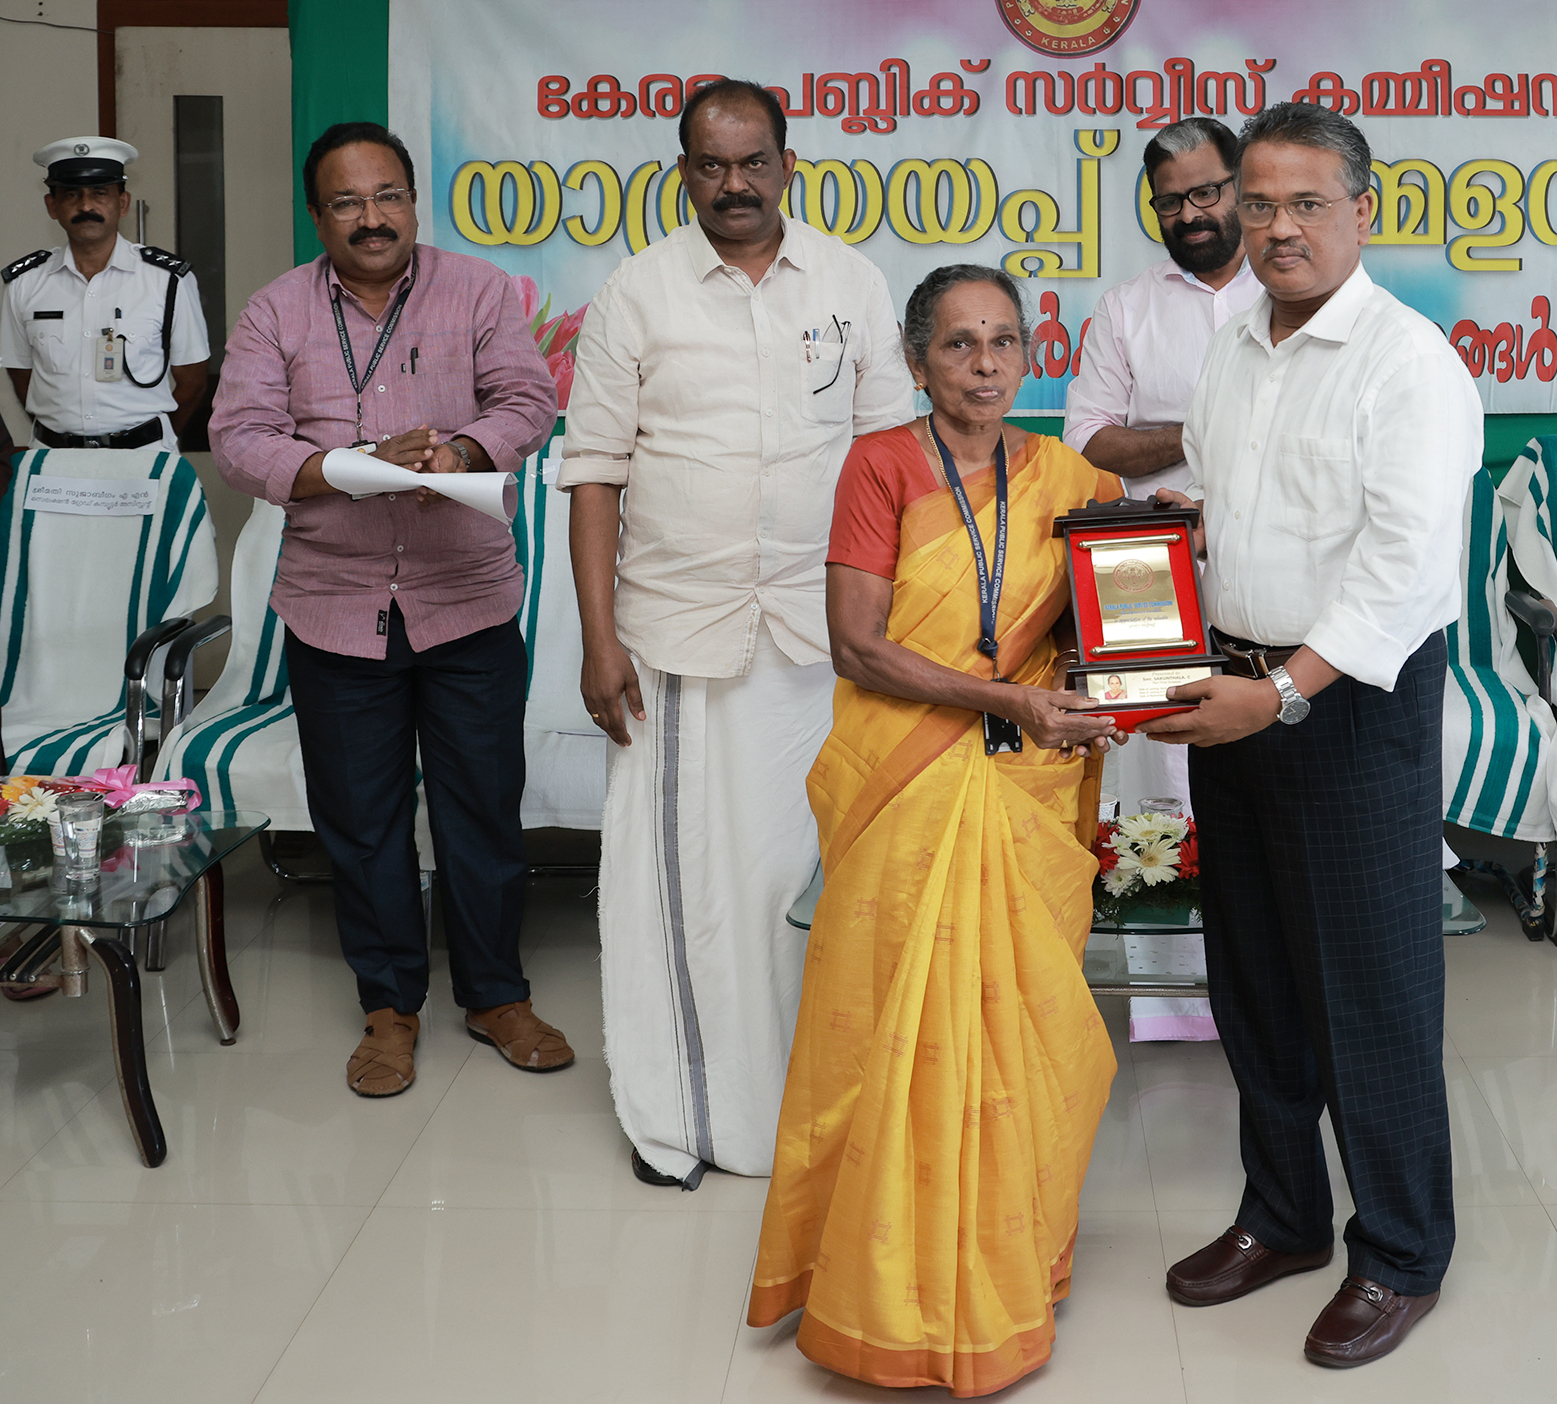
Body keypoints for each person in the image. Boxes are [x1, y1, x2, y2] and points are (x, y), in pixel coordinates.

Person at [1141, 102, 1480, 1369]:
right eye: (1259, 203)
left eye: (1306, 205)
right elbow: (1235, 503)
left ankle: (1399, 1252)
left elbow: (1404, 568)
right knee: (1257, 980)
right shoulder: (1235, 347)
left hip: (1342, 704)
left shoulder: (1407, 363)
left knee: (1370, 991)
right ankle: (1283, 1218)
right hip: (1229, 689)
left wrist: (1282, 692)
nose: (1277, 228)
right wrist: (1161, 551)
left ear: (1361, 212)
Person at [748, 264, 1123, 1396]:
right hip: (903, 776)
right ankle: (877, 1284)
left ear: (1029, 357)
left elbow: (1113, 615)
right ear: (917, 363)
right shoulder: (881, 464)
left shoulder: (1071, 477)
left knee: (1024, 1030)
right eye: (959, 345)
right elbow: (857, 643)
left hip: (1023, 781)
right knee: (885, 1030)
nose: (985, 365)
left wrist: (1124, 659)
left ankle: (1006, 1256)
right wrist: (1007, 699)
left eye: (1004, 341)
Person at [561, 79, 915, 1188]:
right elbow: (593, 474)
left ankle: (815, 1113)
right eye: (710, 166)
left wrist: (899, 626)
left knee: (808, 884)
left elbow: (891, 466)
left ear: (787, 165)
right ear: (684, 174)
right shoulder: (636, 293)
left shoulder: (850, 282)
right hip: (678, 640)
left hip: (823, 640)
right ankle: (680, 1119)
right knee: (680, 891)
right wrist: (599, 640)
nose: (734, 185)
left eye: (753, 162)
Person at [212, 121, 572, 1097]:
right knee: (362, 821)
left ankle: (495, 995)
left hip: (467, 602)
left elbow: (528, 401)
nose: (371, 218)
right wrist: (346, 468)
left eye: (388, 197)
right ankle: (389, 1007)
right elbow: (238, 437)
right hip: (335, 607)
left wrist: (463, 452)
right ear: (317, 214)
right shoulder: (275, 311)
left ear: (413, 201)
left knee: (481, 809)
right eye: (347, 202)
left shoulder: (479, 291)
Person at [1064, 115, 1262, 816]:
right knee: (1166, 784)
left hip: (1274, 565)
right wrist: (1200, 431)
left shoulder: (1291, 290)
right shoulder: (1127, 307)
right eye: (1170, 201)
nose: (1190, 214)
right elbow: (1088, 440)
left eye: (1206, 193)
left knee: (1273, 764)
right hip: (1157, 575)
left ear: (1242, 187)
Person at [2, 137, 209, 483]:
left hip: (143, 463)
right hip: (53, 465)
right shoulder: (25, 284)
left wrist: (147, 439)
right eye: (71, 194)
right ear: (52, 206)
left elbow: (193, 382)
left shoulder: (168, 280)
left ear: (122, 203)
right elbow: (21, 375)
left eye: (100, 193)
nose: (86, 205)